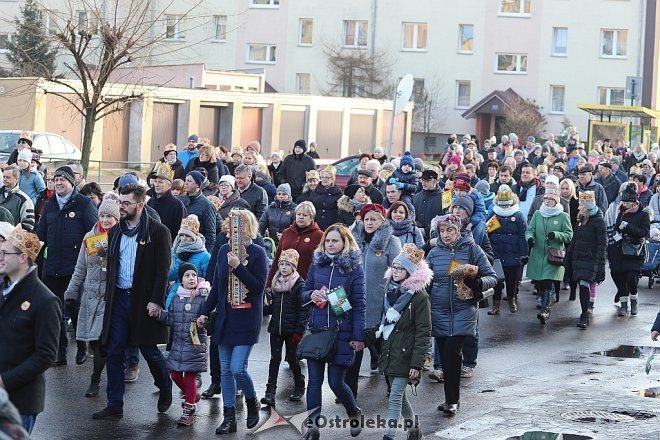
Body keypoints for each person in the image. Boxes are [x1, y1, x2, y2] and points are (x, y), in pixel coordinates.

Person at [92, 184, 173, 420]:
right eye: (120, 202)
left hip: (143, 301)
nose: (121, 207)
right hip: (119, 299)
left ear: (140, 205)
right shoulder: (116, 231)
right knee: (114, 350)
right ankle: (114, 403)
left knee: (148, 349)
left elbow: (162, 270)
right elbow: (109, 263)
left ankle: (165, 385)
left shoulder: (158, 232)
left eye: (125, 203)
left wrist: (157, 301)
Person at [197, 210, 267, 435]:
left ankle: (252, 399)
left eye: (233, 227)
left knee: (238, 368)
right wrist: (204, 312)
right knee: (226, 370)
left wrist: (239, 266)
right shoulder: (224, 251)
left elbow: (258, 288)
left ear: (245, 228)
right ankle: (229, 417)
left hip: (247, 318)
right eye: (228, 226)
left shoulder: (257, 253)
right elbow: (217, 286)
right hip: (226, 318)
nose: (228, 231)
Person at [299, 224, 366, 440]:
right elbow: (304, 292)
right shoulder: (317, 264)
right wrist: (313, 294)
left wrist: (357, 337)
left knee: (336, 382)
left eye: (335, 240)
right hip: (317, 329)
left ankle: (354, 411)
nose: (330, 244)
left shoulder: (354, 268)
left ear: (344, 242)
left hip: (341, 332)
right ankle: (312, 428)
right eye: (327, 240)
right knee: (314, 381)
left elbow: (359, 304)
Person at [427, 214, 497, 416]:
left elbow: (491, 276)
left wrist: (477, 284)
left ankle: (452, 401)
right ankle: (450, 399)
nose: (446, 234)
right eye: (442, 230)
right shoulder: (433, 253)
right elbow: (427, 281)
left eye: (450, 230)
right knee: (444, 353)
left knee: (452, 352)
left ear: (459, 231)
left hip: (463, 309)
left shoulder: (473, 249)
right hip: (438, 310)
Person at [0, 225, 61, 434]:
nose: (0, 257)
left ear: (23, 257)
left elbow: (46, 355)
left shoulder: (45, 300)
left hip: (21, 402)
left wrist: (4, 381)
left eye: (4, 253)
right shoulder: (3, 290)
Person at [37, 166, 98, 366]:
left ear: (72, 182)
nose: (58, 183)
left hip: (76, 267)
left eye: (63, 179)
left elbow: (95, 235)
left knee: (73, 306)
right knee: (55, 312)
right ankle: (60, 353)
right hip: (52, 266)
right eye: (56, 179)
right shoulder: (49, 205)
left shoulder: (84, 204)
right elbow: (40, 236)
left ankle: (82, 343)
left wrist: (96, 263)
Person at [63, 194, 120, 397]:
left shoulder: (121, 237)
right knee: (93, 340)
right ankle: (96, 375)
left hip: (109, 297)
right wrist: (71, 291)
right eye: (103, 215)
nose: (105, 220)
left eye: (110, 216)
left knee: (100, 341)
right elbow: (80, 268)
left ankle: (95, 379)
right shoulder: (90, 236)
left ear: (117, 219)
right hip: (90, 295)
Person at [377, 244, 431, 440]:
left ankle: (389, 436)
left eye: (400, 268)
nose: (395, 271)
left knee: (394, 398)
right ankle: (414, 430)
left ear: (409, 271)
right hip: (391, 353)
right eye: (394, 267)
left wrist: (417, 363)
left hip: (407, 355)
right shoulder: (390, 293)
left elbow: (424, 332)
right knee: (399, 396)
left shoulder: (420, 297)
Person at [347, 203, 401, 397]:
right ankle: (349, 391)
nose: (370, 222)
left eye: (374, 219)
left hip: (380, 305)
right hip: (355, 305)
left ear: (382, 221)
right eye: (366, 219)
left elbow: (398, 272)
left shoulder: (391, 241)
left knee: (384, 349)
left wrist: (393, 299)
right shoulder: (353, 241)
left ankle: (392, 387)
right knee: (353, 349)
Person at [158, 263, 209, 426]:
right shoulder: (176, 297)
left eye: (194, 275)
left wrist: (206, 319)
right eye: (187, 275)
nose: (191, 278)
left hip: (195, 344)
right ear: (181, 280)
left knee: (190, 376)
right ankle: (191, 394)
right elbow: (171, 319)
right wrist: (159, 314)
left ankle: (189, 410)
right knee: (174, 374)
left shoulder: (203, 295)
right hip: (179, 344)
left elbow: (211, 314)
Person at [260, 249, 308, 407]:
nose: (284, 268)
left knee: (293, 359)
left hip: (292, 329)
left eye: (288, 265)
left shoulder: (299, 284)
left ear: (294, 267)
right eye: (281, 264)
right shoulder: (276, 282)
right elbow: (273, 306)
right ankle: (270, 392)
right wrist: (259, 311)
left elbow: (302, 310)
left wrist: (299, 330)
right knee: (274, 359)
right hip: (276, 328)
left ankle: (299, 384)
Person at [525, 188, 573, 324]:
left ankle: (545, 310)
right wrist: (529, 238)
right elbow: (530, 230)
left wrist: (556, 235)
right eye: (545, 199)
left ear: (556, 201)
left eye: (550, 199)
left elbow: (569, 236)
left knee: (547, 282)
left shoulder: (563, 216)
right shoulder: (537, 214)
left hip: (553, 256)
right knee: (539, 282)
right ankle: (544, 302)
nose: (547, 202)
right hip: (538, 254)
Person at [565, 191, 606, 329]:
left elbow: (602, 245)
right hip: (578, 258)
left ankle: (584, 315)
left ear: (587, 206)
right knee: (581, 284)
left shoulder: (599, 222)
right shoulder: (581, 219)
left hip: (590, 259)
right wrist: (568, 257)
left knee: (584, 284)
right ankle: (584, 312)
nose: (578, 208)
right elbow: (574, 239)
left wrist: (601, 267)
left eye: (581, 205)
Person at [608, 185, 650, 316]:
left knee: (632, 277)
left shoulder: (643, 214)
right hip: (621, 249)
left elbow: (644, 232)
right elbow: (616, 227)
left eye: (627, 202)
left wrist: (628, 227)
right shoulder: (621, 212)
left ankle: (634, 301)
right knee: (619, 277)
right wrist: (617, 234)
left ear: (634, 202)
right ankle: (624, 305)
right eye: (623, 202)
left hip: (635, 251)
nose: (624, 205)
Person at [488, 185, 527, 315]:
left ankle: (512, 299)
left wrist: (523, 253)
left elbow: (522, 236)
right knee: (497, 281)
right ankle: (496, 304)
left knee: (512, 280)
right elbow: (486, 233)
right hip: (497, 252)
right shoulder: (493, 213)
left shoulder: (518, 215)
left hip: (513, 253)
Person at [266, 201, 323, 291]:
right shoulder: (286, 232)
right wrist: (269, 284)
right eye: (298, 214)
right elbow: (276, 260)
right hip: (283, 284)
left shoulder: (320, 236)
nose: (300, 217)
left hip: (306, 284)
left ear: (312, 217)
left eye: (304, 215)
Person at [165, 215, 211, 309]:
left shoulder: (205, 256)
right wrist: (179, 260)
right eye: (181, 235)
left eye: (188, 235)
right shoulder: (175, 251)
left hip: (195, 299)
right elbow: (170, 276)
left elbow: (207, 280)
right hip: (175, 295)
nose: (184, 238)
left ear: (194, 237)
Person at [146, 162, 187, 243]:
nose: (157, 185)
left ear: (169, 185)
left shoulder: (177, 205)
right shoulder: (151, 202)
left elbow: (180, 231)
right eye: (156, 181)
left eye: (160, 182)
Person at [179, 171, 217, 252]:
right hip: (179, 246)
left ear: (197, 185)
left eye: (189, 181)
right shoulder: (180, 200)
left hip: (197, 249)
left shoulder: (207, 205)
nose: (186, 183)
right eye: (185, 180)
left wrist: (207, 253)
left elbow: (210, 233)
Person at [0, 166, 36, 231]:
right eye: (4, 177)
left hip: (12, 238)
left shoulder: (24, 199)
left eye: (8, 177)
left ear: (16, 179)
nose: (5, 179)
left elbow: (28, 224)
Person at [308, 165, 342, 231]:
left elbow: (340, 211)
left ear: (332, 179)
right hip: (316, 225)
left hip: (331, 225)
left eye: (327, 177)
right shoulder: (315, 191)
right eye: (322, 177)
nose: (324, 179)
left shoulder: (338, 193)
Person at [413, 169, 443, 239]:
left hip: (435, 238)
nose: (423, 183)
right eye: (422, 180)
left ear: (435, 181)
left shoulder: (444, 198)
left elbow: (443, 218)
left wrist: (426, 230)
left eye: (427, 181)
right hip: (416, 236)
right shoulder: (416, 196)